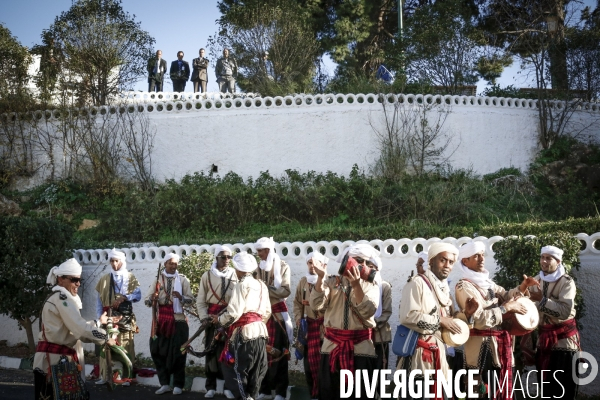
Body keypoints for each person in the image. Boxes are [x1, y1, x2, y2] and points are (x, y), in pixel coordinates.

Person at [454, 240, 537, 399]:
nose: (482, 259)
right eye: (476, 256)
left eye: (482, 255)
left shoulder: (487, 282)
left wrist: (523, 287)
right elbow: (478, 320)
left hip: (498, 347)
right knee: (481, 392)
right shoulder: (464, 286)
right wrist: (506, 308)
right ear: (465, 261)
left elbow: (506, 295)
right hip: (479, 350)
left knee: (500, 390)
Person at [33, 258, 116, 400]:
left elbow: (71, 326)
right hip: (53, 363)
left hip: (54, 360)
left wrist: (97, 322)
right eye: (74, 280)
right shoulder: (62, 299)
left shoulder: (59, 298)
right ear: (60, 280)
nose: (78, 284)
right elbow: (80, 329)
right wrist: (105, 338)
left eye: (79, 280)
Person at [310, 243, 381, 400]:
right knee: (330, 393)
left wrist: (356, 285)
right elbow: (316, 305)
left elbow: (368, 310)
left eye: (364, 262)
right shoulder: (331, 282)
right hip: (331, 348)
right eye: (357, 260)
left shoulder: (372, 285)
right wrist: (320, 278)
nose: (360, 265)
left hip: (361, 350)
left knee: (361, 394)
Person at [398, 243, 466, 400]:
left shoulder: (444, 290)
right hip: (418, 358)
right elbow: (407, 316)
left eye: (450, 262)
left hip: (439, 356)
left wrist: (466, 314)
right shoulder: (417, 283)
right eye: (443, 260)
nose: (447, 265)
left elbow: (448, 322)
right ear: (431, 261)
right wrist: (440, 320)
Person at [211, 251, 271, 400]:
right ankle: (251, 397)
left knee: (233, 368)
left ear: (239, 269)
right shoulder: (262, 285)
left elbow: (233, 313)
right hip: (261, 332)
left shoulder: (241, 284)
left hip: (243, 334)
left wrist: (219, 320)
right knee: (256, 371)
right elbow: (267, 312)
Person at [526, 245, 581, 399]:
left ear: (558, 261)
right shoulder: (535, 280)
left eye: (548, 258)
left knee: (564, 389)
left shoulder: (566, 282)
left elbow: (564, 312)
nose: (544, 261)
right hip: (544, 342)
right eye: (542, 257)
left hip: (564, 343)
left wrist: (541, 300)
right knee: (546, 389)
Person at [145, 253, 194, 395]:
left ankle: (178, 384)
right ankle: (164, 383)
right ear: (165, 264)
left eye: (175, 263)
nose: (173, 266)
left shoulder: (183, 280)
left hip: (178, 321)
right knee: (158, 351)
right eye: (170, 263)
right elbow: (147, 301)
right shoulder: (157, 280)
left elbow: (191, 300)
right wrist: (152, 299)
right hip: (160, 322)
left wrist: (182, 297)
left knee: (179, 352)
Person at [196, 245, 238, 399]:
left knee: (229, 351)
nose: (227, 260)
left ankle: (228, 386)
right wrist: (204, 318)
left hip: (229, 317)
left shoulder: (235, 274)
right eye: (223, 257)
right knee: (211, 351)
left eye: (229, 257)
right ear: (216, 258)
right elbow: (200, 301)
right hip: (211, 319)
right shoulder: (206, 276)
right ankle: (211, 386)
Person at [94, 248, 141, 385]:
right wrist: (100, 318)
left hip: (125, 319)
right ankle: (106, 376)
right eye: (112, 261)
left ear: (122, 261)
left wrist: (125, 297)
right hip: (107, 318)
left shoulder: (130, 277)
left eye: (117, 261)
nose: (114, 264)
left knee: (126, 346)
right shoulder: (104, 279)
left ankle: (125, 377)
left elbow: (138, 296)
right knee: (106, 346)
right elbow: (98, 301)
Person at [254, 237, 293, 400]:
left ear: (268, 250)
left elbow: (285, 291)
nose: (259, 254)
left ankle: (280, 392)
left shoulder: (283, 266)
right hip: (262, 316)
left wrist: (264, 288)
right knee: (261, 352)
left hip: (277, 315)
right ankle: (264, 389)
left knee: (279, 352)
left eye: (261, 251)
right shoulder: (257, 269)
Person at [293, 252, 327, 400]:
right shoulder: (303, 282)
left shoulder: (329, 282)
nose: (312, 266)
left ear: (321, 265)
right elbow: (297, 303)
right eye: (309, 263)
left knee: (323, 365)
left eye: (315, 263)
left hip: (324, 329)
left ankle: (324, 394)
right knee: (308, 364)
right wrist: (299, 318)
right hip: (309, 328)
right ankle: (313, 393)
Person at [370, 256, 392, 370]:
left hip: (379, 335)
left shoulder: (384, 286)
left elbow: (386, 311)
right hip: (362, 337)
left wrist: (371, 324)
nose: (369, 270)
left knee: (379, 370)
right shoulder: (359, 286)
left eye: (371, 267)